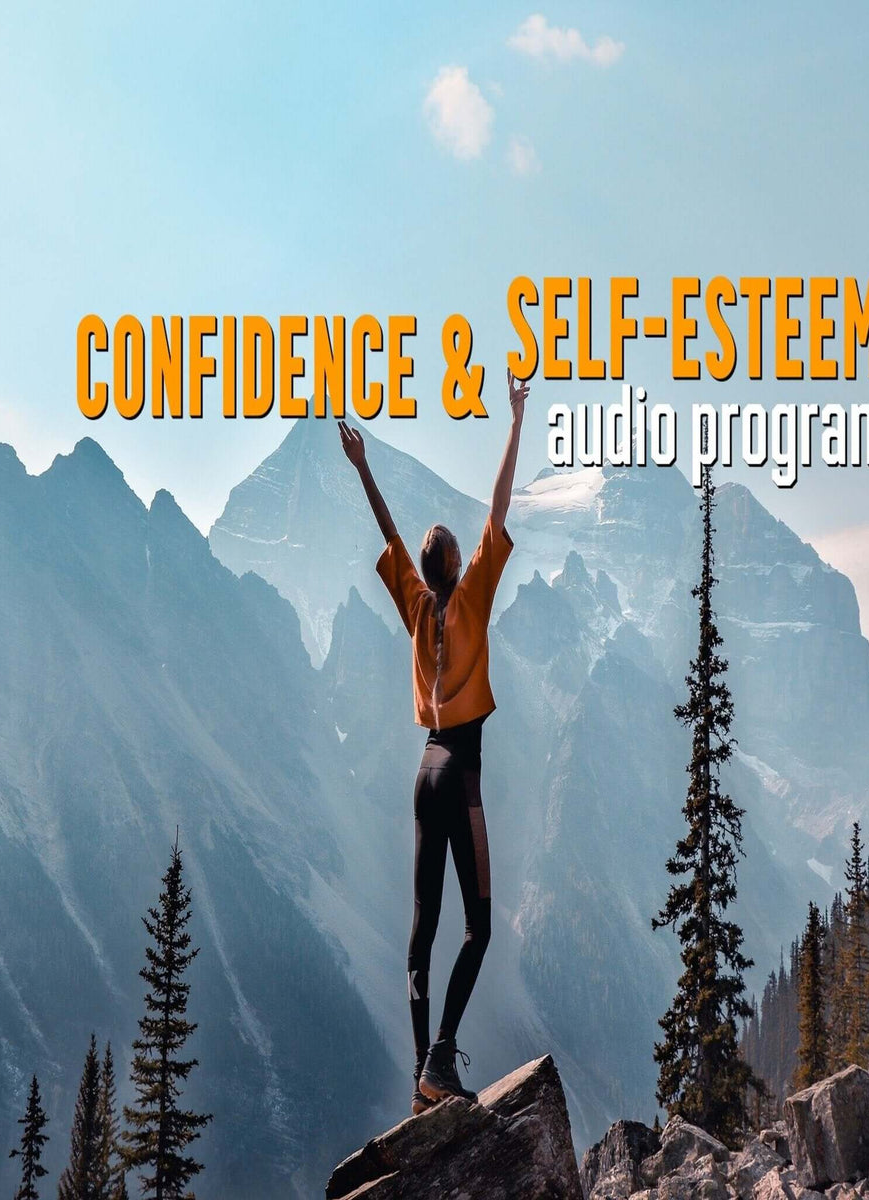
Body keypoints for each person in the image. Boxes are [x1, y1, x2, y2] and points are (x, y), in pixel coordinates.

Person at [339, 368, 529, 1114]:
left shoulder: (416, 607)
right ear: (456, 562)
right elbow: (500, 501)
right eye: (444, 539)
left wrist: (364, 469)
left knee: (422, 934)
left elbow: (390, 533)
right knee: (478, 928)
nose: (436, 536)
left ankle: (422, 1084)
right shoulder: (473, 591)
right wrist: (514, 420)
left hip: (422, 771)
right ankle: (442, 1059)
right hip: (461, 772)